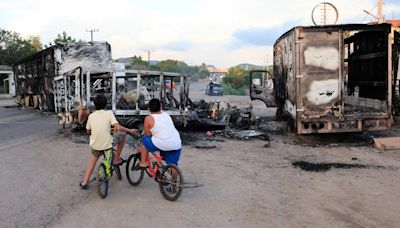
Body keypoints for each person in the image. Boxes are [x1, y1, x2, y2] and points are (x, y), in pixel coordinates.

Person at [80, 94, 137, 189]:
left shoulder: (91, 116)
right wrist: (129, 130)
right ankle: (116, 159)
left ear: (95, 105)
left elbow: (88, 131)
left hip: (95, 145)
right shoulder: (109, 113)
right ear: (106, 105)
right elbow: (118, 127)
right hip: (107, 144)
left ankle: (85, 182)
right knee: (122, 134)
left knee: (93, 161)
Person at [139, 98, 182, 168]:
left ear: (148, 109)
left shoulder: (148, 118)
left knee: (144, 140)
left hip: (162, 144)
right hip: (176, 143)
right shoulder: (167, 115)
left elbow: (147, 134)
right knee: (174, 164)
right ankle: (174, 178)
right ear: (161, 107)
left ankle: (143, 162)